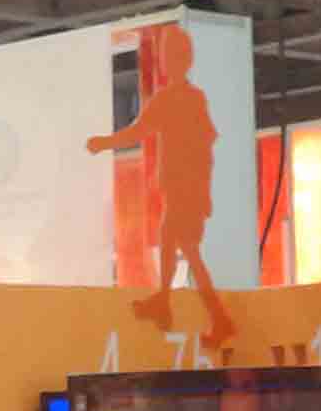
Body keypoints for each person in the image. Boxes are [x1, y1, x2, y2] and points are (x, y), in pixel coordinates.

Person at [86, 24, 234, 346]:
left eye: (169, 54)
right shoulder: (183, 98)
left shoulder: (180, 99)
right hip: (181, 189)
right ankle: (165, 302)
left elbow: (139, 132)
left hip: (186, 190)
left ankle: (218, 318)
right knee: (170, 242)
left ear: (181, 59)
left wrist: (104, 143)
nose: (165, 60)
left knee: (188, 250)